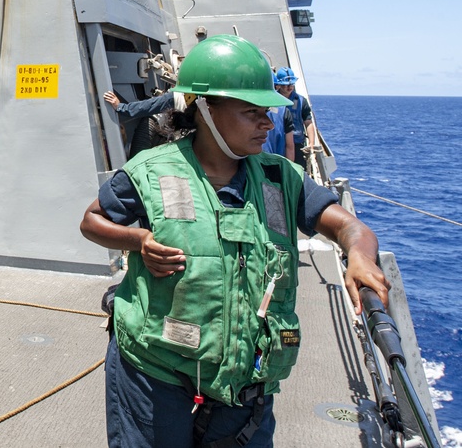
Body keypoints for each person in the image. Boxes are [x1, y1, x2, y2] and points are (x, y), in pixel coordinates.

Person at [80, 35, 390, 448]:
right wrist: (138, 240)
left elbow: (351, 228)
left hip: (245, 386)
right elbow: (92, 221)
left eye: (267, 112)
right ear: (205, 109)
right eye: (252, 112)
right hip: (154, 375)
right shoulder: (151, 171)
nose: (268, 123)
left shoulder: (281, 178)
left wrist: (360, 257)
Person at [102, 90, 182, 159]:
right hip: (159, 126)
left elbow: (151, 105)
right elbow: (152, 105)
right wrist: (122, 108)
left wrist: (122, 108)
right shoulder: (183, 96)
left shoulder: (183, 97)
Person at [273, 67, 317, 168]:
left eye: (291, 84)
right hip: (278, 144)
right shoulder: (273, 101)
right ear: (279, 85)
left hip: (297, 145)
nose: (289, 87)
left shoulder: (301, 101)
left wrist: (311, 144)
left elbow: (308, 123)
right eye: (286, 85)